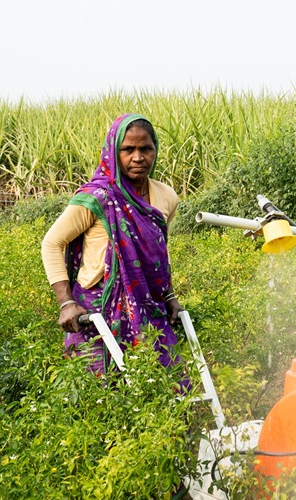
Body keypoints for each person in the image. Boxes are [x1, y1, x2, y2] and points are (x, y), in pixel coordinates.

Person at [42, 113, 185, 378]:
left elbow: (158, 254)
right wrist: (66, 303)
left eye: (146, 149)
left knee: (165, 384)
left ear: (156, 150)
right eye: (128, 149)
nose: (138, 157)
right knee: (100, 389)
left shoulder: (166, 196)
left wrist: (169, 297)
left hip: (148, 306)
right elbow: (52, 243)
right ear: (113, 152)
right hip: (98, 308)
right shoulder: (96, 197)